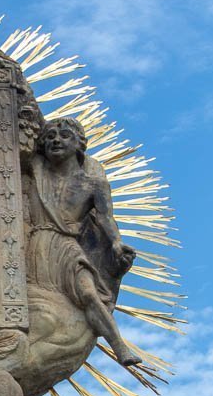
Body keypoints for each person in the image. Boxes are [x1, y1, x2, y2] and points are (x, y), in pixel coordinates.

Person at [25, 116, 141, 367]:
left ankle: (119, 346)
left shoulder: (93, 183)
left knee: (88, 292)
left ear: (79, 144)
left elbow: (105, 218)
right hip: (34, 245)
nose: (56, 140)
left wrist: (116, 243)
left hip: (66, 245)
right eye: (50, 136)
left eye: (64, 135)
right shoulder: (34, 169)